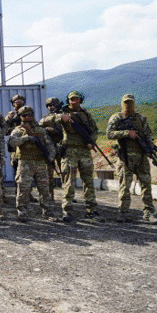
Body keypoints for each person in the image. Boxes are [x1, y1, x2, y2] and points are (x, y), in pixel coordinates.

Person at [107, 94, 157, 223]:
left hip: (141, 157)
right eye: (125, 102)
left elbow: (148, 135)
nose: (128, 105)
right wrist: (126, 133)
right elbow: (109, 134)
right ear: (122, 103)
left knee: (146, 185)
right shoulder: (117, 118)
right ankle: (122, 213)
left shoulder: (141, 118)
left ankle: (149, 213)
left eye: (130, 102)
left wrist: (150, 150)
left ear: (134, 103)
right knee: (124, 187)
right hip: (125, 158)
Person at [54, 91, 101, 222]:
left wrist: (91, 141)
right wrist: (60, 118)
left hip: (84, 151)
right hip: (69, 151)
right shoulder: (61, 113)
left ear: (80, 100)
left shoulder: (85, 115)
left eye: (76, 99)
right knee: (69, 182)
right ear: (68, 100)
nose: (74, 102)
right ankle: (67, 211)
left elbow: (94, 130)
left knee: (89, 181)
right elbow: (44, 121)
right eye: (71, 99)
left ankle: (91, 210)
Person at [8, 105, 57, 222]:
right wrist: (26, 137)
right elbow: (12, 143)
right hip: (25, 162)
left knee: (44, 188)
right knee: (23, 188)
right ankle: (22, 211)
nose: (27, 117)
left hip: (40, 162)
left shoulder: (40, 130)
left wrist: (50, 157)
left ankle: (47, 212)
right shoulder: (17, 130)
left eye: (29, 114)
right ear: (20, 117)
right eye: (24, 115)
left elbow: (49, 145)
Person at [39, 97, 64, 199]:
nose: (51, 107)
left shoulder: (63, 116)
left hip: (63, 146)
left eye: (53, 105)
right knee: (49, 172)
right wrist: (47, 129)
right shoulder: (45, 119)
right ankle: (50, 195)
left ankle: (67, 194)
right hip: (50, 147)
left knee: (65, 172)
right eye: (49, 106)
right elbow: (39, 128)